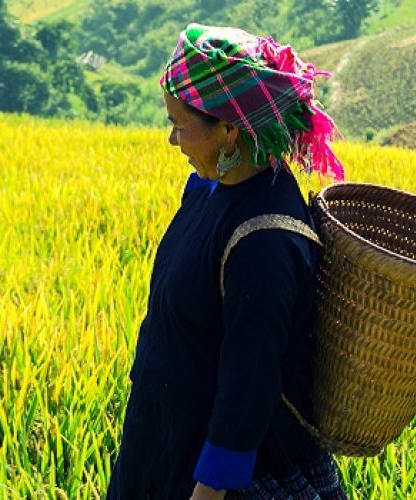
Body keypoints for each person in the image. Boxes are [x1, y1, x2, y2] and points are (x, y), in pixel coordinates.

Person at [106, 24, 347, 500]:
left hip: (218, 472)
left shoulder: (266, 237)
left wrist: (209, 491)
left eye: (180, 125)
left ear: (230, 127)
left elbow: (250, 380)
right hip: (162, 439)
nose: (173, 140)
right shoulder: (209, 190)